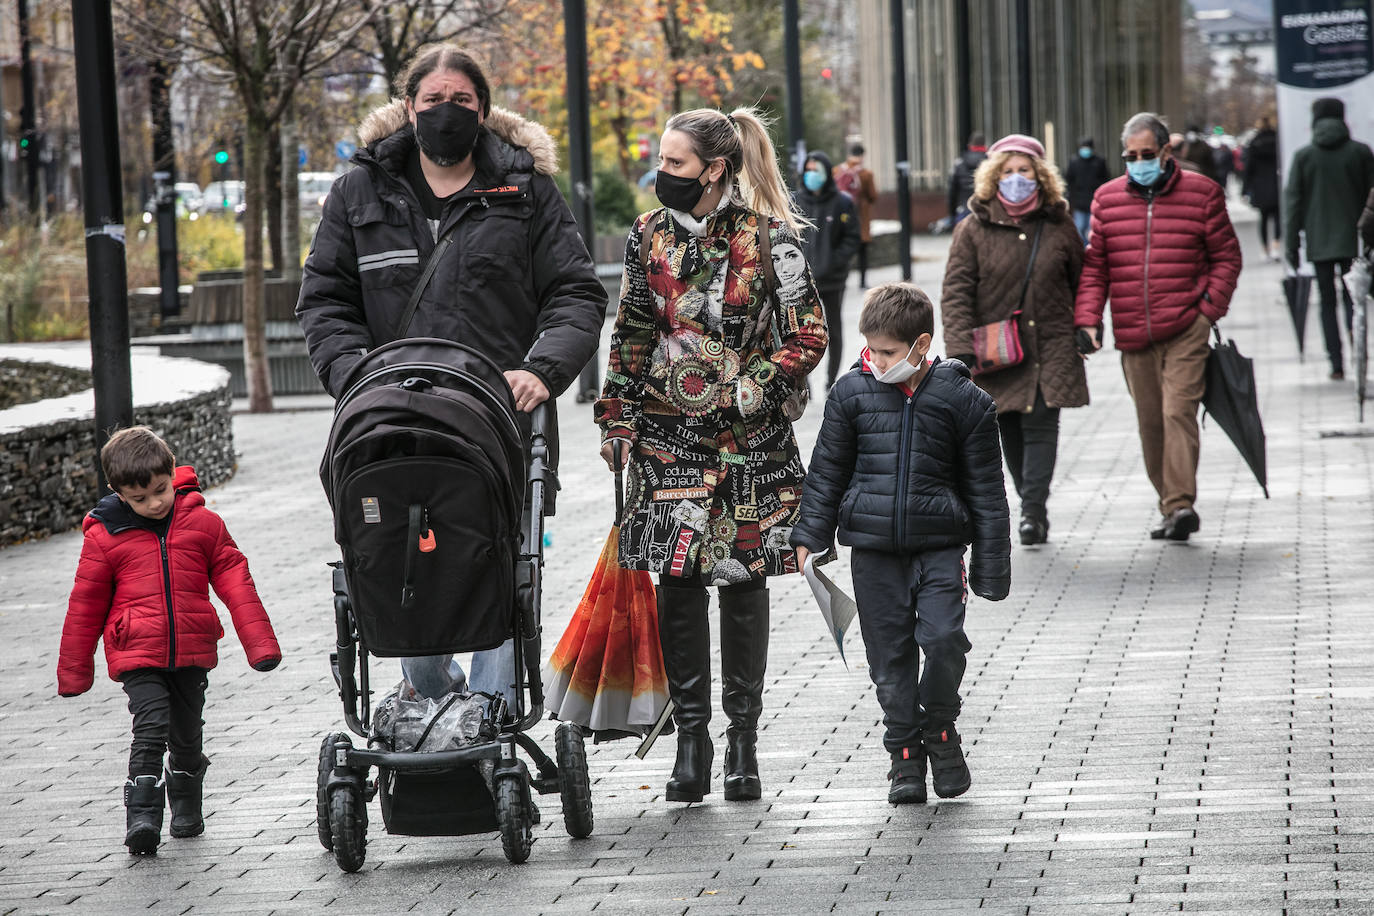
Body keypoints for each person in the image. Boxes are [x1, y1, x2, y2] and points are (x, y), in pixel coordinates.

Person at [297, 45, 607, 703]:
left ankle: (492, 715)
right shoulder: (360, 191)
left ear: (485, 112)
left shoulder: (525, 192)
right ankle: (432, 691)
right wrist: (352, 375)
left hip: (496, 419)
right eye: (433, 101)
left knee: (495, 561)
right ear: (408, 108)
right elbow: (326, 297)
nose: (446, 114)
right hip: (391, 418)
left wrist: (542, 370)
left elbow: (576, 293)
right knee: (401, 560)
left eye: (461, 102)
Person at [595, 106, 827, 804]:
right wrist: (617, 419)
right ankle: (690, 741)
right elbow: (632, 330)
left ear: (714, 169)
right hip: (667, 440)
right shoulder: (648, 237)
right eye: (661, 161)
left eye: (674, 164)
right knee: (678, 579)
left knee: (744, 581)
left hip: (747, 442)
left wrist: (749, 386)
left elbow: (808, 334)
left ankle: (743, 743)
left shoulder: (770, 241)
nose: (660, 175)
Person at [789, 283, 1010, 805]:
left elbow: (987, 490)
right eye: (870, 349)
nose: (876, 359)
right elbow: (826, 472)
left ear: (921, 345)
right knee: (887, 659)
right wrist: (810, 536)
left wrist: (991, 565)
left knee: (942, 639)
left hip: (939, 547)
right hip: (873, 552)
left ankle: (940, 728)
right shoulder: (851, 395)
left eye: (887, 352)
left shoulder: (964, 401)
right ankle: (904, 754)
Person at [56, 427, 281, 855]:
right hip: (136, 650)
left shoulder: (204, 524)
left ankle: (186, 803)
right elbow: (85, 603)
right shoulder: (104, 537)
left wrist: (260, 643)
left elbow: (235, 580)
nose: (155, 503)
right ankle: (142, 815)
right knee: (151, 724)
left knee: (186, 733)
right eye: (140, 499)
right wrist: (73, 669)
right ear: (118, 492)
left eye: (161, 491)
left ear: (171, 472)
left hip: (192, 649)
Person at [1075, 112, 1242, 541]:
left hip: (1187, 325)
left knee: (1177, 411)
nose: (1139, 161)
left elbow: (1226, 257)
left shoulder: (1203, 193)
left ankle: (1181, 503)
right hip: (1134, 333)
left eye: (1147, 154)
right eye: (1130, 155)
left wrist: (1207, 311)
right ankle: (1169, 503)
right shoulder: (1107, 200)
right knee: (1151, 422)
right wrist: (1088, 320)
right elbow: (1096, 269)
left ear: (1166, 152)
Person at [941, 133, 1088, 546]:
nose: (1017, 178)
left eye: (1024, 170)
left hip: (1054, 344)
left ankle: (1033, 511)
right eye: (1008, 171)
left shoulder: (1060, 225)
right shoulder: (972, 229)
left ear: (1040, 176)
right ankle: (1030, 499)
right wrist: (960, 351)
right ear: (993, 176)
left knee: (1042, 423)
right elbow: (955, 292)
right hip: (996, 351)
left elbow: (1085, 280)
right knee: (1010, 429)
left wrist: (1087, 324)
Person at [1283, 97, 1374, 381]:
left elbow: (1293, 204)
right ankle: (1357, 348)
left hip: (1319, 240)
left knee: (1326, 301)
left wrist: (1291, 246)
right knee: (1354, 298)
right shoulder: (1360, 153)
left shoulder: (1304, 156)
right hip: (1355, 240)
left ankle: (1335, 363)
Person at [795, 150, 862, 388]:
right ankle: (804, 382)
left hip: (832, 280)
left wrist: (835, 262)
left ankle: (831, 380)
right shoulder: (795, 201)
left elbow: (852, 237)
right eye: (808, 170)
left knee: (833, 329)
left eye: (817, 170)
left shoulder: (842, 203)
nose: (812, 175)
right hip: (801, 282)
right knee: (801, 333)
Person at [834, 143, 879, 287]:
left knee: (843, 249)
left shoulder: (837, 171)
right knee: (863, 252)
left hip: (841, 218)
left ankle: (842, 280)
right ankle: (863, 281)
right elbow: (873, 196)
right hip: (860, 217)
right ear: (862, 156)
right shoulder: (865, 174)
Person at [1242, 118, 1281, 261]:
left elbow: (1248, 168)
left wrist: (1245, 189)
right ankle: (1276, 245)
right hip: (1276, 183)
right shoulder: (1278, 141)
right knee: (1277, 217)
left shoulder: (1254, 143)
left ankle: (1265, 249)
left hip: (1259, 185)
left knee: (1263, 219)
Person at [1065, 136, 1110, 244]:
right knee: (1079, 228)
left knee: (1093, 229)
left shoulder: (1099, 162)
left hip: (1094, 201)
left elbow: (1105, 179)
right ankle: (1083, 248)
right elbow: (1069, 181)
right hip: (1079, 202)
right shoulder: (1074, 162)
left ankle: (1090, 247)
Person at [948, 132, 988, 224]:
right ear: (984, 145)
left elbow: (952, 191)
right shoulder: (990, 162)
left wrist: (952, 214)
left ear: (970, 145)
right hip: (985, 209)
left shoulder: (959, 163)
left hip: (963, 209)